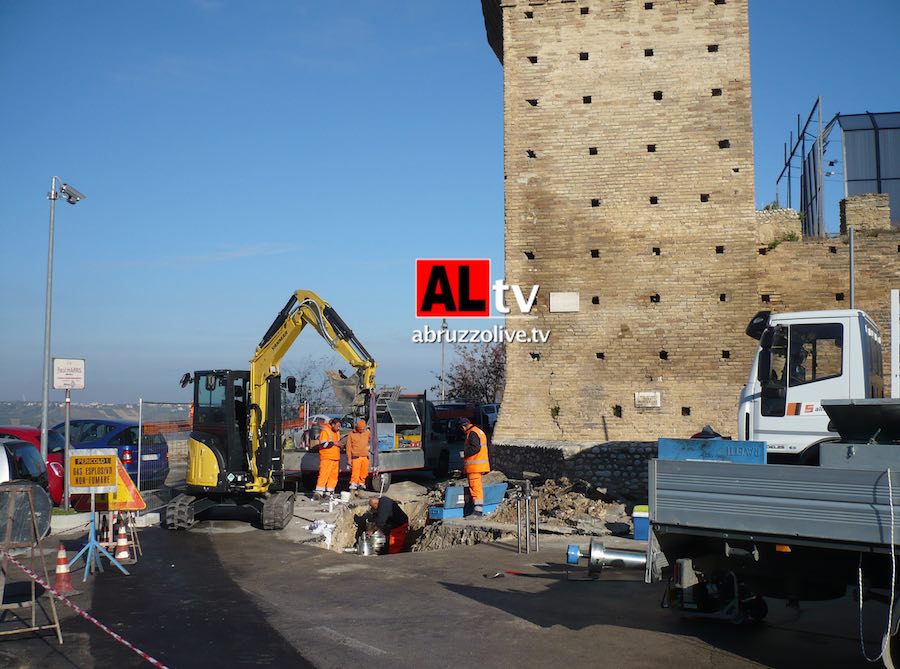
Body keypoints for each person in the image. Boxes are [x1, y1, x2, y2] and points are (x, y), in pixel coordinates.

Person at [460, 417, 490, 515]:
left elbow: (475, 448)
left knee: (475, 487)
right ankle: (477, 509)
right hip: (478, 466)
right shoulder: (478, 431)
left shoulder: (472, 433)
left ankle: (478, 511)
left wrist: (465, 453)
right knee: (476, 487)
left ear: (464, 427)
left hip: (475, 466)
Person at [314, 418, 342, 499]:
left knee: (333, 476)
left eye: (339, 426)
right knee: (324, 474)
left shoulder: (337, 432)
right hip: (327, 457)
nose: (339, 428)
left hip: (335, 457)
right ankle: (319, 492)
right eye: (338, 426)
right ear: (333, 425)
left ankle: (329, 492)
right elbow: (323, 444)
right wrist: (334, 443)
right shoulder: (325, 431)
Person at [346, 419, 370, 493]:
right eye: (361, 429)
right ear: (357, 428)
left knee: (364, 473)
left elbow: (374, 440)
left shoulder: (367, 432)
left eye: (363, 429)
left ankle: (361, 488)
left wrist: (370, 447)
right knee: (355, 473)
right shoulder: (351, 434)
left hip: (365, 457)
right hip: (356, 458)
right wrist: (349, 459)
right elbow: (348, 447)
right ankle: (353, 489)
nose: (362, 430)